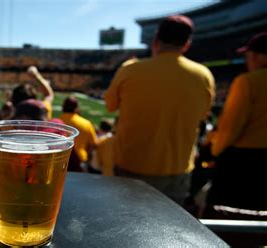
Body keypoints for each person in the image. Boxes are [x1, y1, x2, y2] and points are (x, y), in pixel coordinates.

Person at [104, 15, 215, 204]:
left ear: (155, 40)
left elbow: (110, 105)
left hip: (131, 164)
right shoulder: (203, 75)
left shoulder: (130, 69)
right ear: (186, 44)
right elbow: (204, 114)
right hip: (177, 169)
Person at [207, 32, 267, 213]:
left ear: (256, 56)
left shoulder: (248, 81)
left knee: (230, 222)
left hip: (245, 165)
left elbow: (231, 127)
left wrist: (215, 150)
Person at [59, 96, 98, 172]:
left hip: (61, 160)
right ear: (76, 107)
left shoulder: (57, 121)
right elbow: (94, 144)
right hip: (80, 160)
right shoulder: (86, 123)